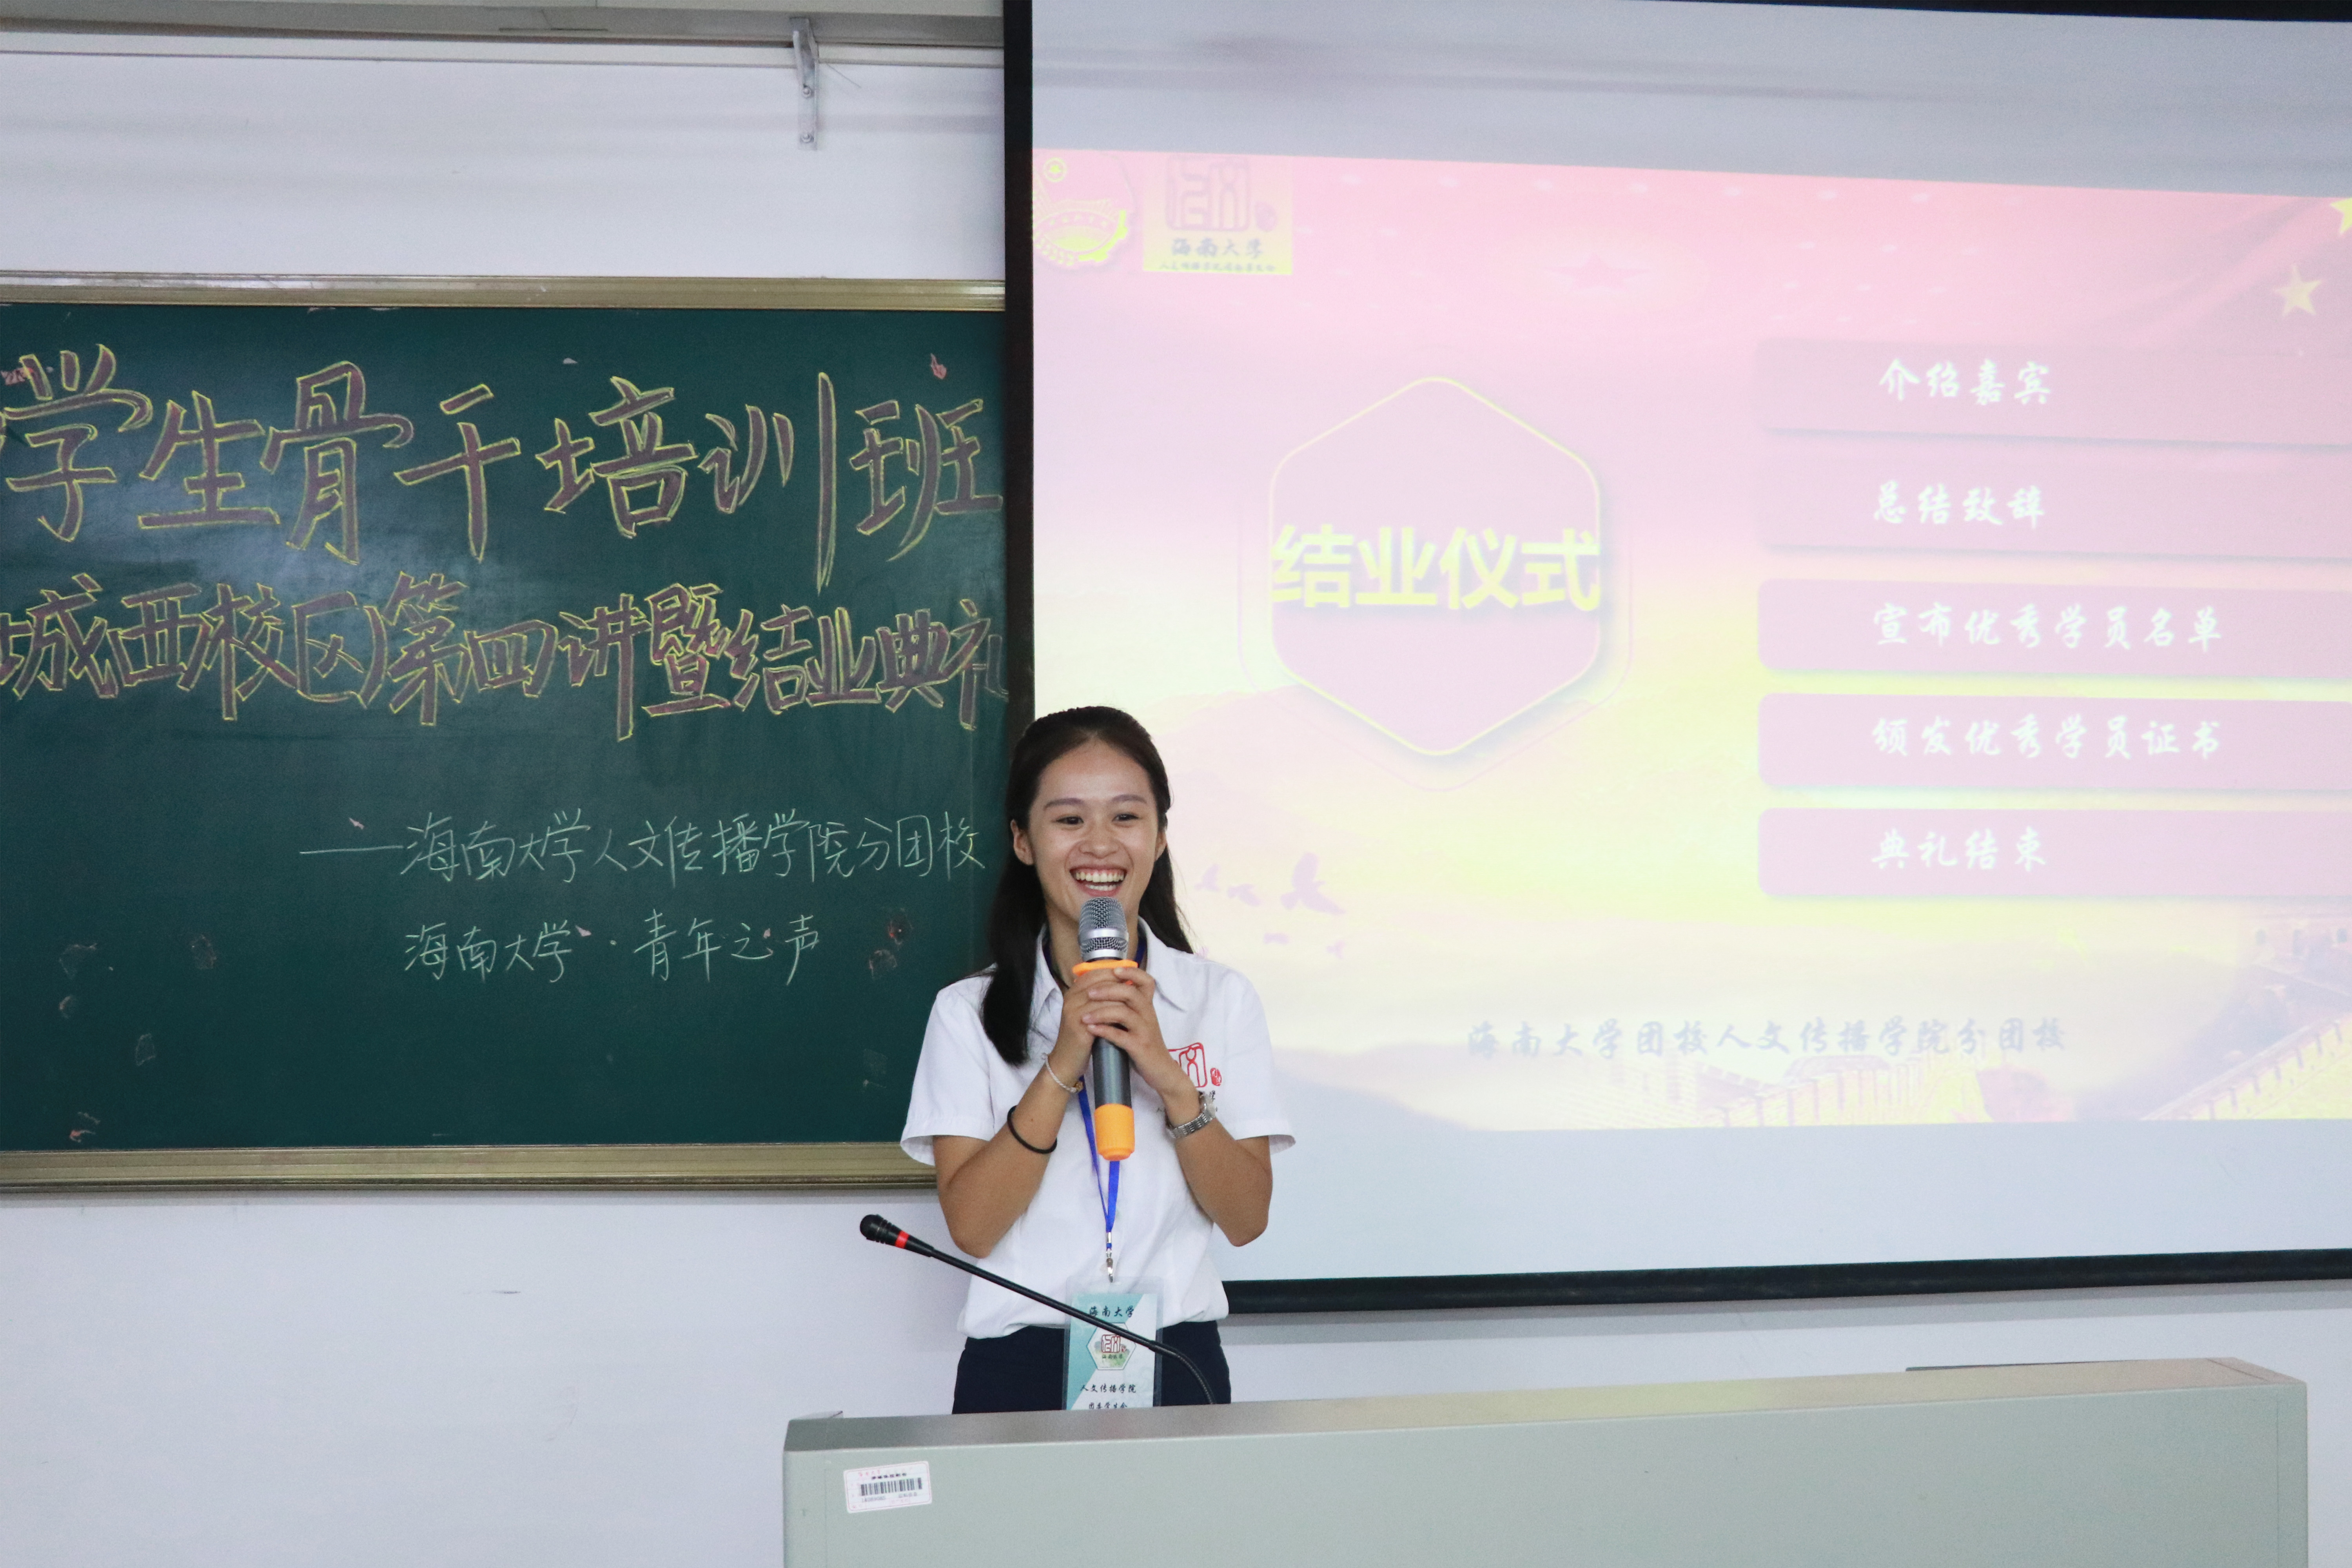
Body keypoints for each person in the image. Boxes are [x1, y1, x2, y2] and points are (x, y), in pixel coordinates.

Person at [901, 706, 1292, 1413]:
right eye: (1070, 820)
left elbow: (1245, 1218)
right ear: (1024, 841)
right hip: (1018, 1365)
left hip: (1176, 1358)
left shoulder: (1220, 1000)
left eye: (1127, 817)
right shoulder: (966, 1013)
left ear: (1160, 837)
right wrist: (1061, 1065)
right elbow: (974, 1226)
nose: (1101, 844)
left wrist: (1167, 1076)